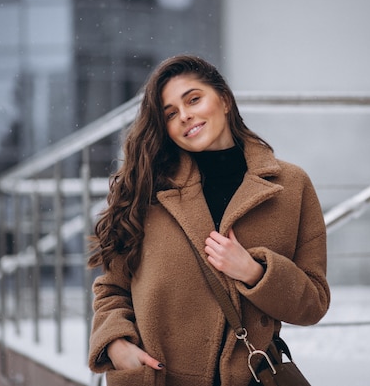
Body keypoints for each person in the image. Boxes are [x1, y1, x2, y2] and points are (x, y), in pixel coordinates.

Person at [87, 54, 329, 386]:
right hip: (158, 379)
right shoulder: (146, 190)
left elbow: (313, 303)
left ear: (225, 100)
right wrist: (116, 343)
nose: (185, 116)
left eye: (194, 99)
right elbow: (112, 287)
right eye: (170, 114)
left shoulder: (290, 186)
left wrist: (254, 272)